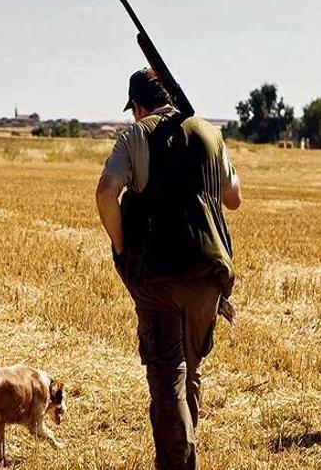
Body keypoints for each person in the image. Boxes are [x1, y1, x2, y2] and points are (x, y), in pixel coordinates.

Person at [96, 68, 241, 469]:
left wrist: (123, 245)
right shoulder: (211, 134)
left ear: (138, 106)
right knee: (188, 374)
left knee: (166, 382)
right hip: (209, 274)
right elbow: (234, 199)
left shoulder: (136, 136)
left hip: (158, 276)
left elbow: (106, 193)